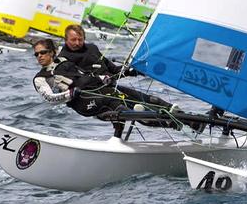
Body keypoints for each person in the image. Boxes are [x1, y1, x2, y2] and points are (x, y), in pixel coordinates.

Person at [32, 38, 192, 133]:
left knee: (145, 99)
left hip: (98, 90)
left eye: (43, 52)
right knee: (119, 106)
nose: (39, 56)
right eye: (36, 54)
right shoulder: (41, 78)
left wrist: (108, 77)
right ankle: (168, 122)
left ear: (52, 52)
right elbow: (50, 98)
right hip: (83, 102)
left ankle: (191, 121)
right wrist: (70, 94)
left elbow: (88, 75)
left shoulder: (66, 60)